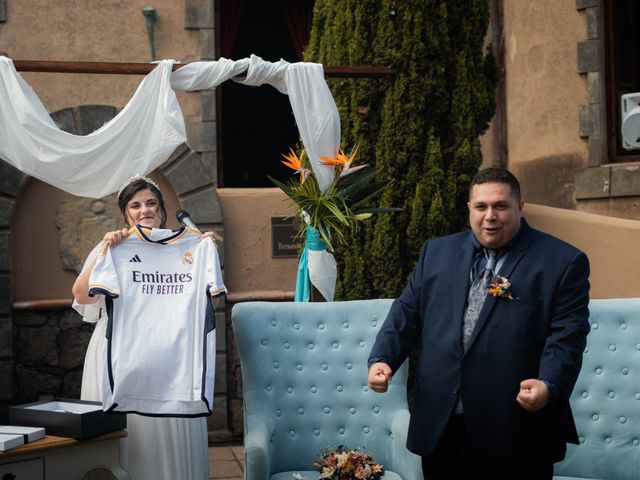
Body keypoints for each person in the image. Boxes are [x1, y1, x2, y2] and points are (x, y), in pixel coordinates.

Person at [367, 168, 590, 480]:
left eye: (501, 206)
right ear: (469, 208)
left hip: (516, 427)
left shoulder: (563, 261)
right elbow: (407, 311)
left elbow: (567, 335)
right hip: (443, 425)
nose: (490, 216)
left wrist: (549, 384)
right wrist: (383, 358)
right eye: (481, 207)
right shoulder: (436, 252)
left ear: (520, 207)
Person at [72, 175, 221, 480]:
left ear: (162, 210)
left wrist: (207, 254)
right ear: (125, 213)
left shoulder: (188, 246)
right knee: (128, 438)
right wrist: (104, 248)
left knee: (169, 436)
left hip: (171, 354)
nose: (145, 210)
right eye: (135, 205)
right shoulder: (115, 246)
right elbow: (80, 295)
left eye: (151, 203)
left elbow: (208, 305)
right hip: (119, 351)